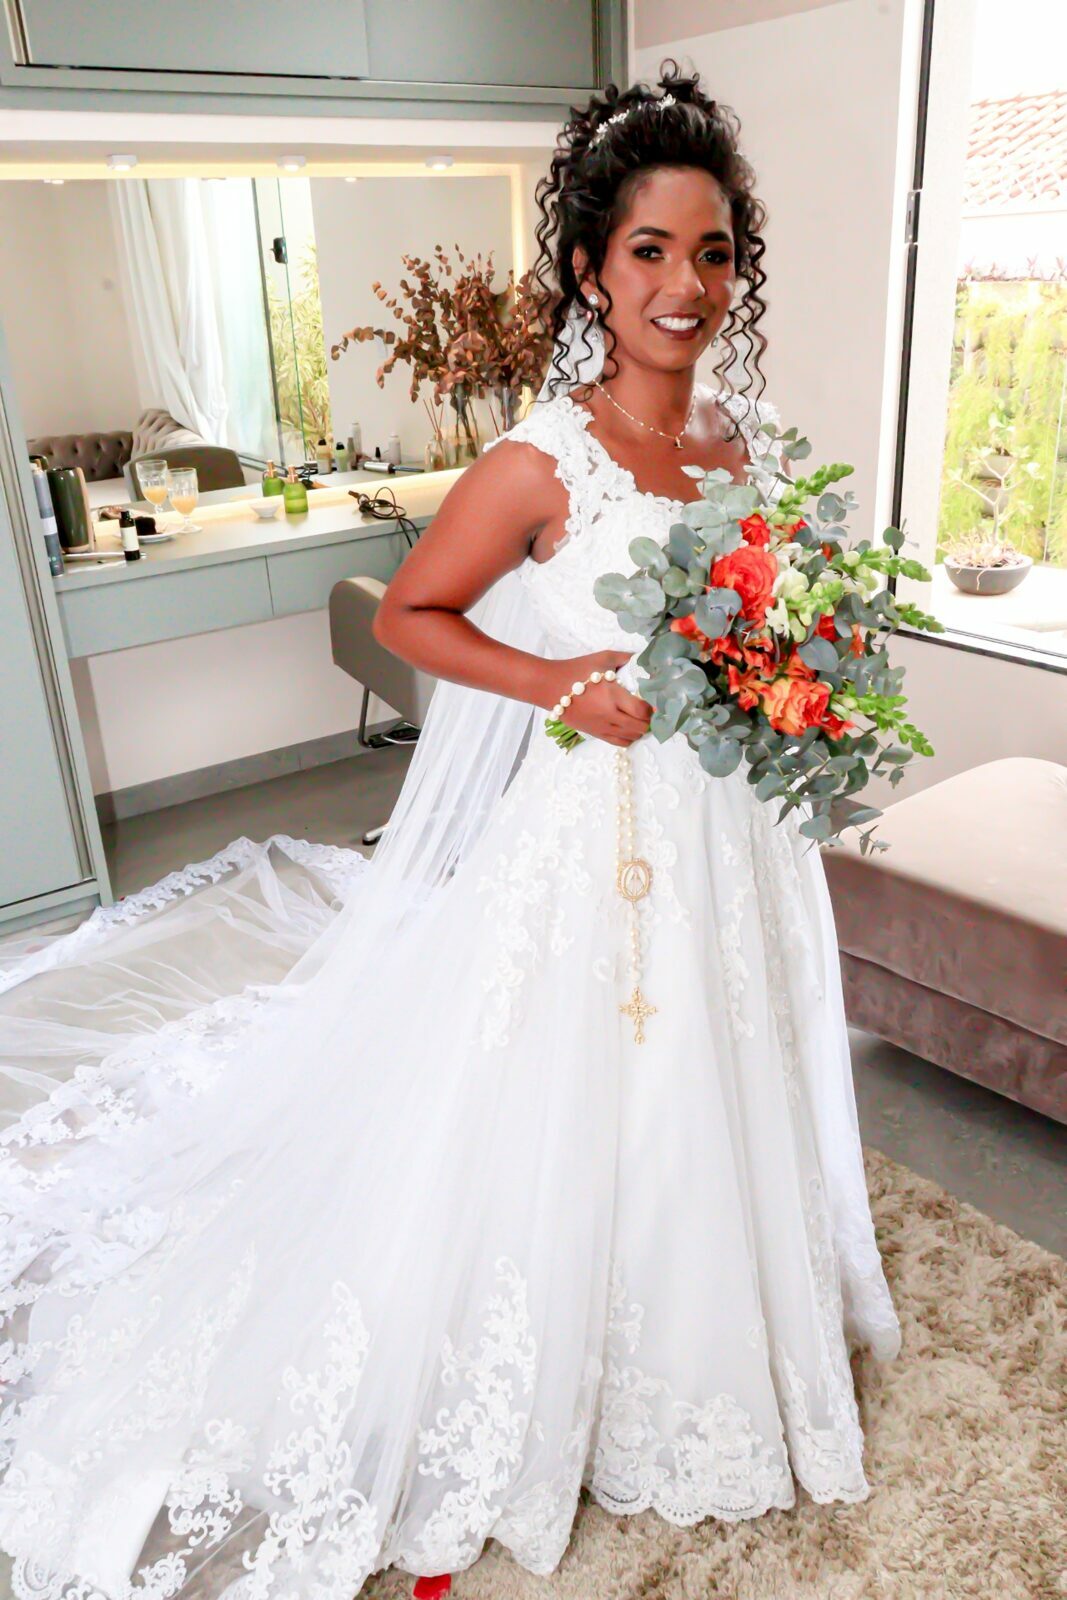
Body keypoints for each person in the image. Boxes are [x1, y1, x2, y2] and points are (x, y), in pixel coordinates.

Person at [0, 60, 902, 1600]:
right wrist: (559, 682)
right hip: (600, 832)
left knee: (722, 1057)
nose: (685, 285)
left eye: (713, 253)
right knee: (586, 1079)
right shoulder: (541, 460)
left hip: (730, 828)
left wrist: (798, 683)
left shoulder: (744, 445)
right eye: (650, 251)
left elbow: (761, 617)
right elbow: (411, 613)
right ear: (591, 268)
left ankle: (717, 1321)